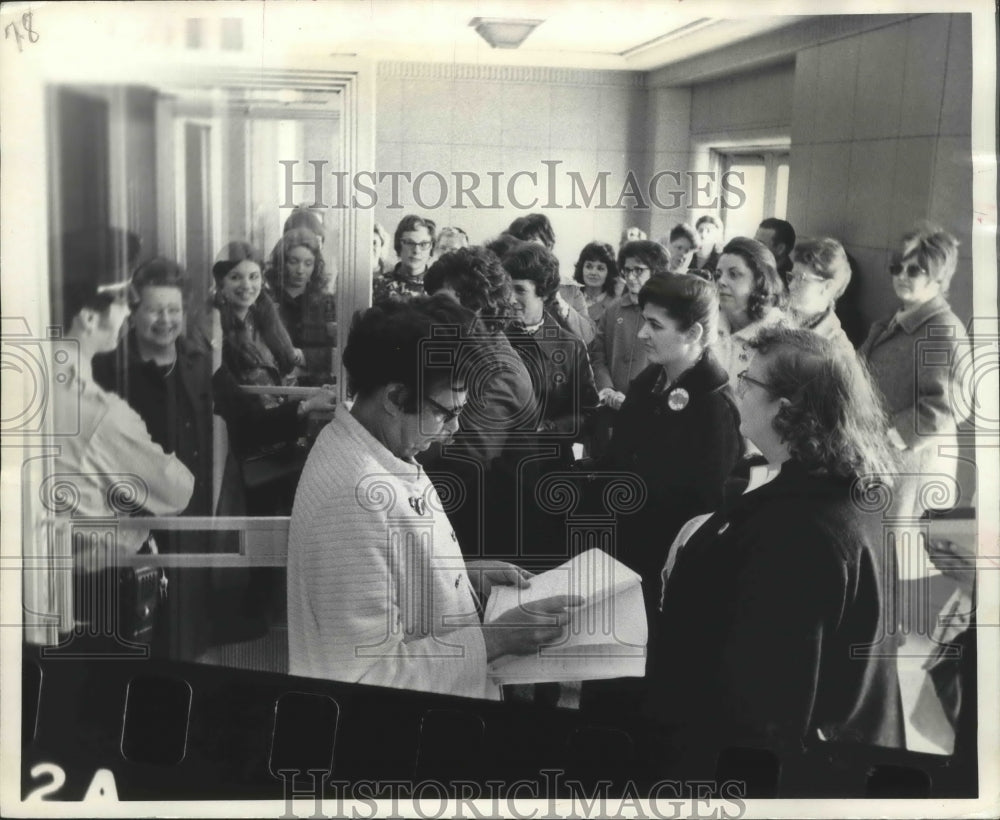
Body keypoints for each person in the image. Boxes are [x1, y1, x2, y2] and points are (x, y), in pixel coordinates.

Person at [287, 296, 580, 698]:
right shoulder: (353, 499)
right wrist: (495, 640)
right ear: (394, 397)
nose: (456, 426)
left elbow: (389, 570)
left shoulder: (377, 443)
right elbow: (365, 676)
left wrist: (456, 574)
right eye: (447, 411)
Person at [647, 327, 905, 768]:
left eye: (748, 381)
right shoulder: (846, 488)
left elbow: (767, 709)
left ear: (785, 411)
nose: (735, 388)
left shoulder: (797, 535)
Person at [52, 242, 194, 646]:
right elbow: (175, 488)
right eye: (122, 303)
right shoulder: (100, 411)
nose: (128, 313)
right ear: (88, 316)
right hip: (100, 590)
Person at [420, 246, 541, 559]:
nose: (430, 315)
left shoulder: (499, 371)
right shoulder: (464, 350)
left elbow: (461, 460)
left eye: (442, 304)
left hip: (488, 538)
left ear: (477, 305)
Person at [210, 241, 336, 514]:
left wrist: (310, 395)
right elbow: (243, 412)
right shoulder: (217, 330)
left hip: (283, 443)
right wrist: (305, 405)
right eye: (236, 277)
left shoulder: (264, 317)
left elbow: (283, 378)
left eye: (253, 276)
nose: (247, 285)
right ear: (220, 283)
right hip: (253, 452)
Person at [858, 225, 970, 523]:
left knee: (894, 549)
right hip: (884, 460)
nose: (902, 276)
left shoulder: (941, 330)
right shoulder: (895, 320)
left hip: (911, 466)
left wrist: (892, 438)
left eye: (915, 270)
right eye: (897, 268)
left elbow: (950, 405)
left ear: (939, 276)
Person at [503, 243, 598, 468]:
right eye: (507, 289)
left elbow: (588, 414)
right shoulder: (494, 339)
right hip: (498, 469)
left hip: (549, 469)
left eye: (520, 290)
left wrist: (547, 428)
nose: (510, 299)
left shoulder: (570, 347)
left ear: (544, 293)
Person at [713, 236, 787, 390]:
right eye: (718, 274)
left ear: (760, 282)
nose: (721, 281)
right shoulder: (708, 325)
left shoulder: (782, 338)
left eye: (734, 274)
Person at [265, 227, 337, 385]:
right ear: (282, 262)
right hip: (273, 385)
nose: (300, 270)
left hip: (315, 386)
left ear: (316, 266)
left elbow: (334, 353)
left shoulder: (326, 302)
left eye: (308, 263)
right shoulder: (267, 299)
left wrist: (303, 356)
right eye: (293, 261)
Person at [785, 237, 854, 352]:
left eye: (801, 279)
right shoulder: (775, 318)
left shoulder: (836, 348)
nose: (791, 286)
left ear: (827, 287)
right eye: (792, 277)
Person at [373, 214, 436, 302]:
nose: (416, 250)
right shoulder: (378, 285)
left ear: (431, 248)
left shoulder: (439, 288)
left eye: (423, 244)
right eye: (410, 243)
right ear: (399, 245)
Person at [572, 241, 621, 325]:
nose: (593, 273)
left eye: (600, 268)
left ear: (609, 273)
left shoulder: (615, 305)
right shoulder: (570, 298)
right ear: (581, 268)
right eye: (589, 266)